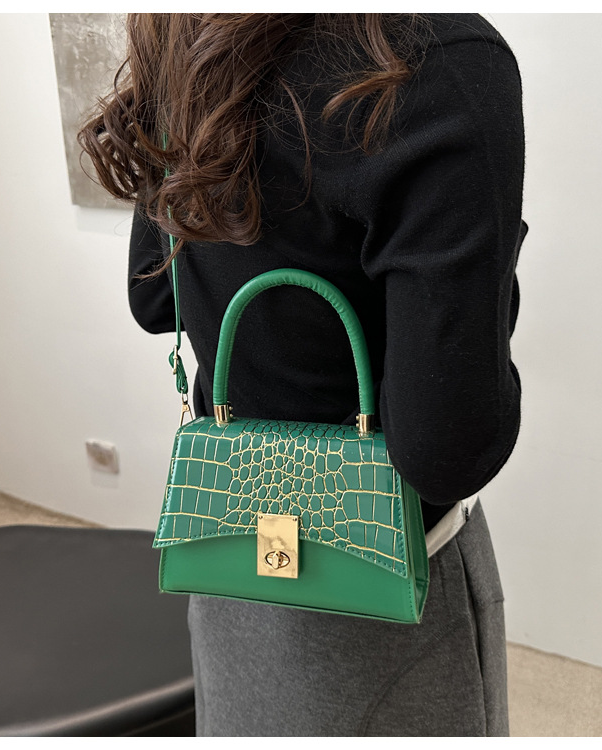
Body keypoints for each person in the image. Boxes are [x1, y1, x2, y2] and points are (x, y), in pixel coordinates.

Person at [79, 13, 528, 737]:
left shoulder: (186, 31)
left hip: (228, 541)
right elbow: (448, 449)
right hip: (381, 577)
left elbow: (153, 297)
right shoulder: (436, 59)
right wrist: (494, 275)